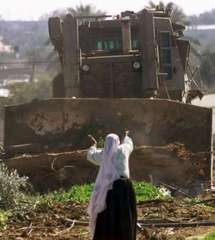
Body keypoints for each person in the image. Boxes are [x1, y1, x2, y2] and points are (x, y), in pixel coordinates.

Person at [87, 131, 137, 240]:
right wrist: (126, 136)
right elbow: (129, 144)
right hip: (124, 187)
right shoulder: (123, 150)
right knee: (124, 214)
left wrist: (93, 145)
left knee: (108, 215)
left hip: (109, 188)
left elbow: (91, 156)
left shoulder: (104, 153)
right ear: (118, 142)